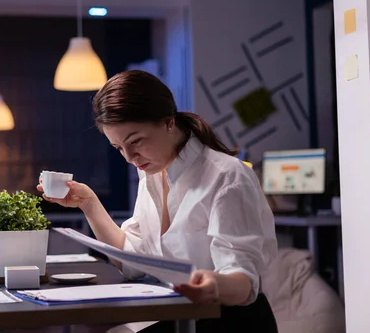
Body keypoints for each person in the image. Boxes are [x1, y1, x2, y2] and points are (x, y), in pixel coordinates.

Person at [37, 70, 278, 332]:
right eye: (119, 148)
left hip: (229, 322)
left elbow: (244, 283)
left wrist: (213, 284)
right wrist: (89, 204)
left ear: (168, 122)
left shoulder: (226, 175)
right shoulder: (151, 173)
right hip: (180, 317)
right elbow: (130, 260)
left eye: (136, 141)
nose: (130, 157)